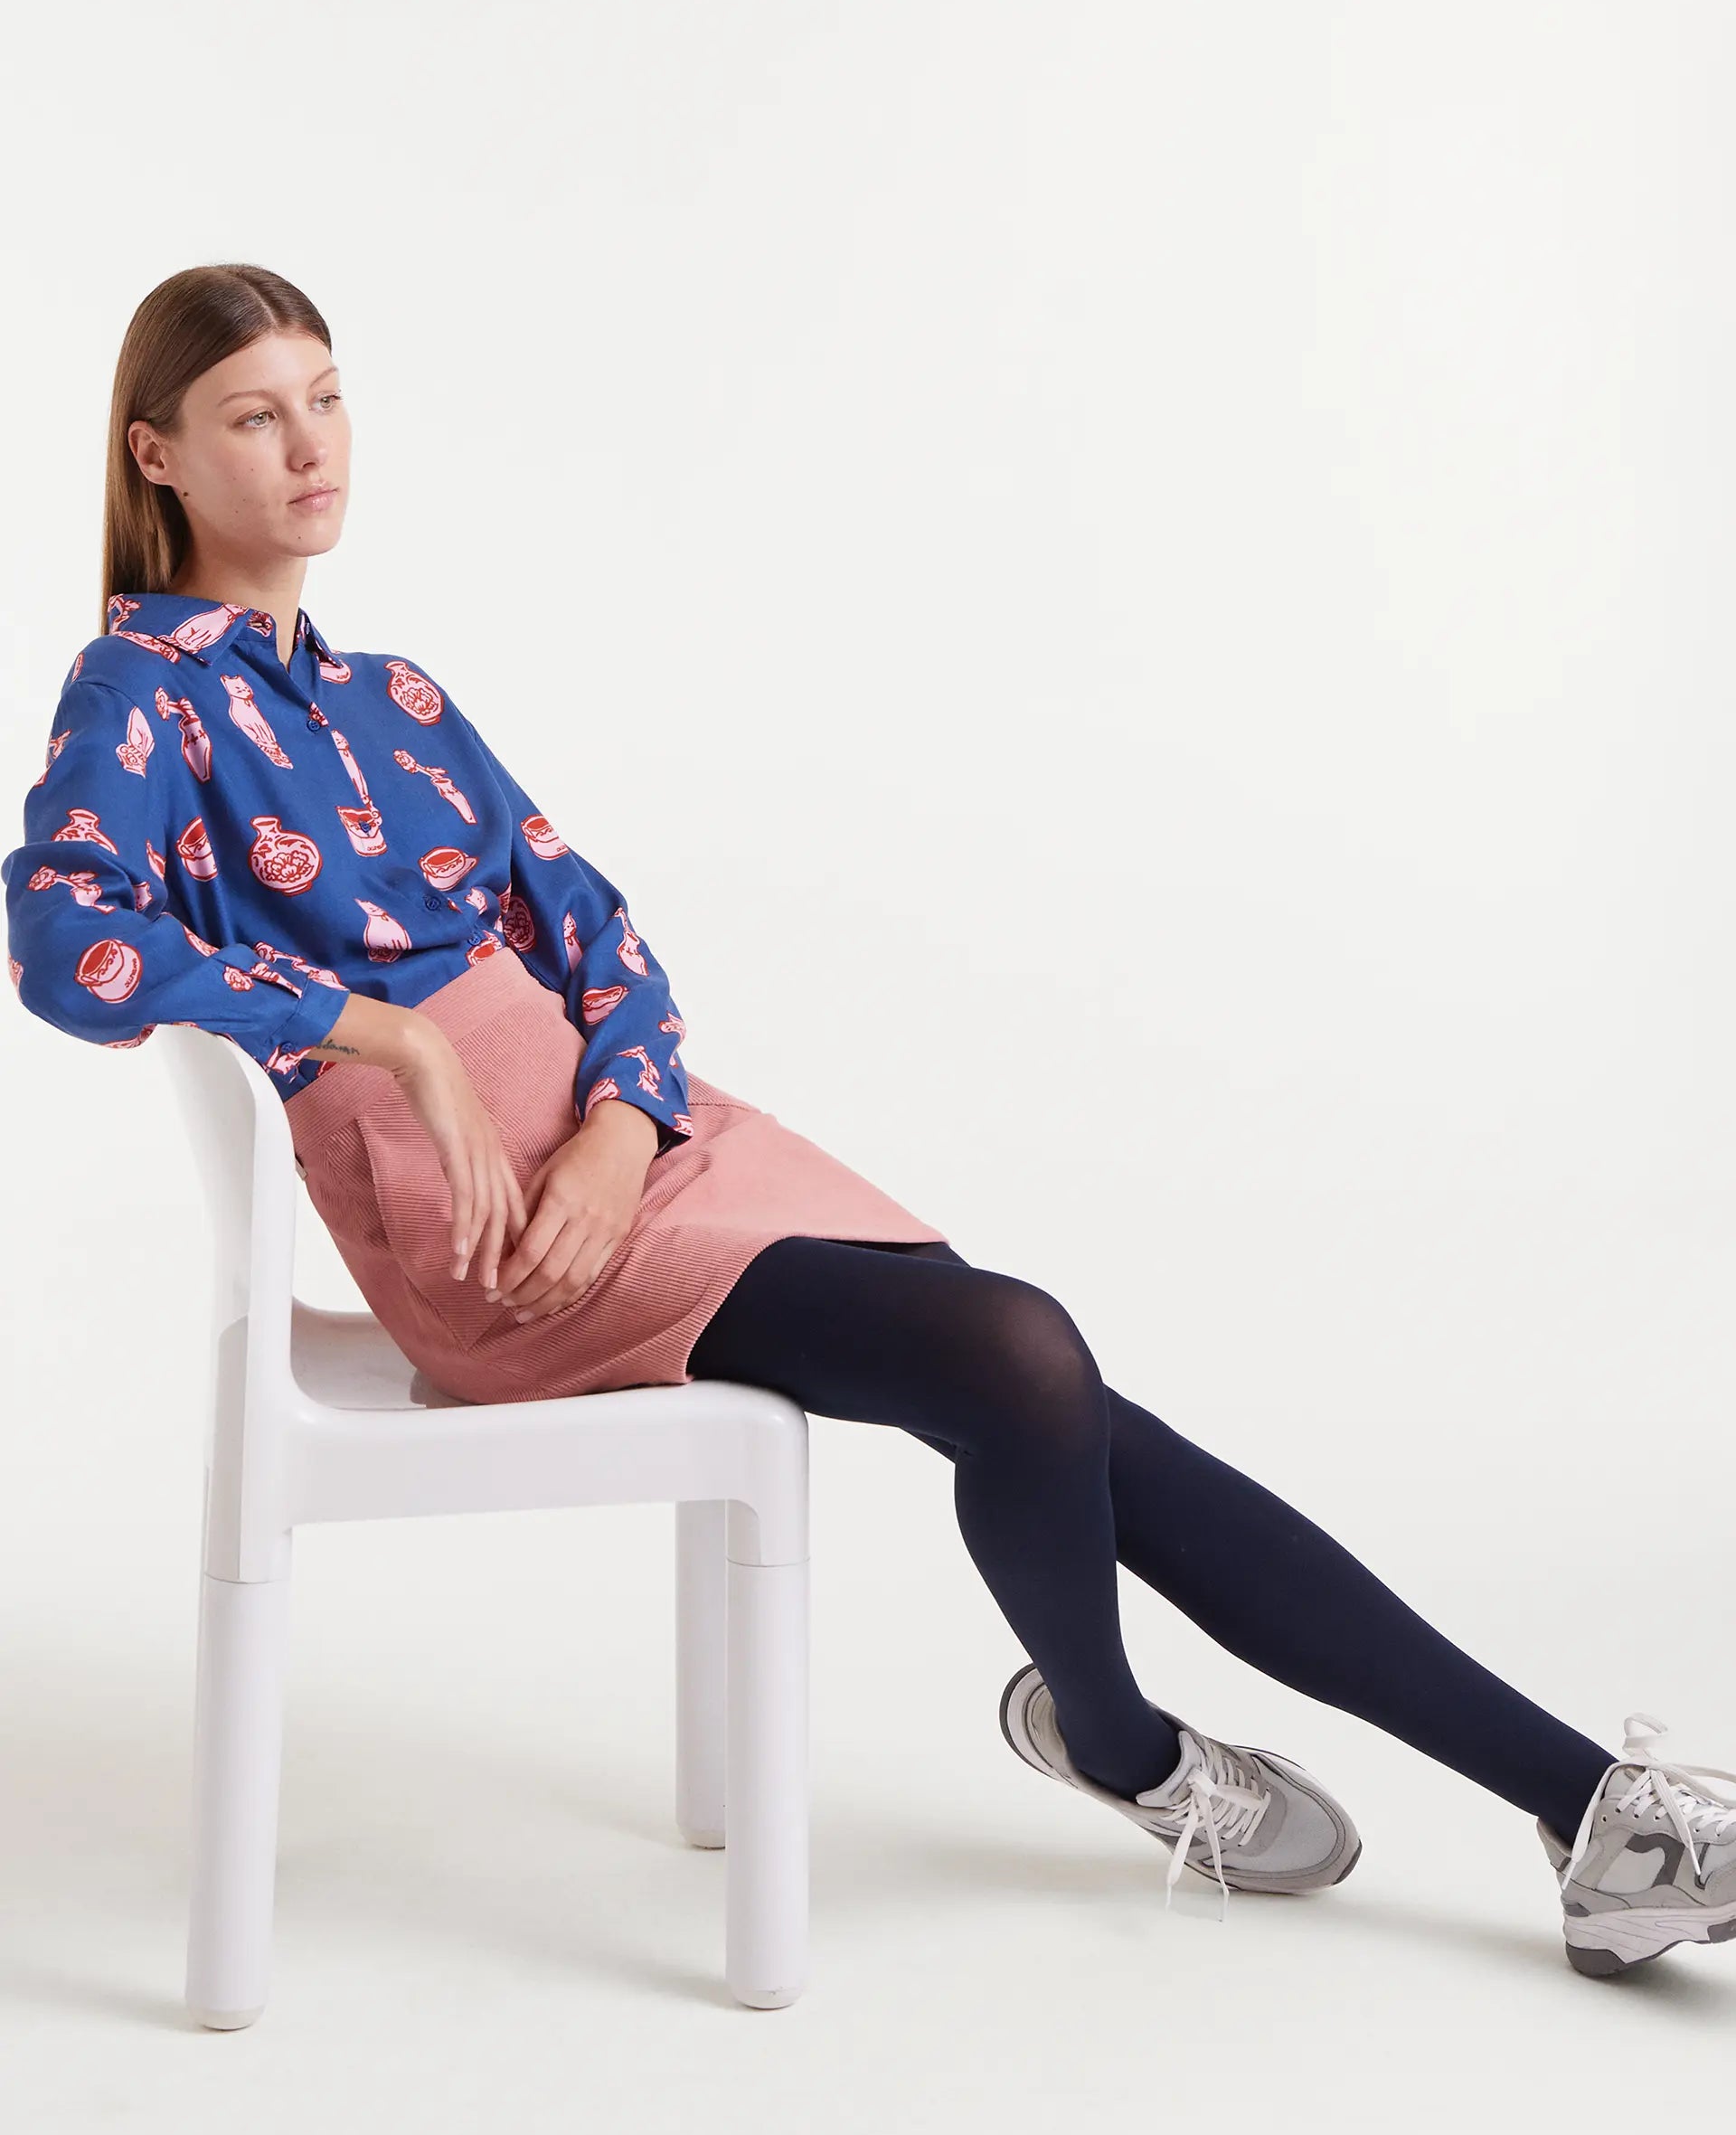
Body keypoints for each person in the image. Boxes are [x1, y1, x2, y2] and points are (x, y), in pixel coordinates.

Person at [7, 264, 1734, 1981]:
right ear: (158, 454)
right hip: (490, 1231)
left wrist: (620, 1122)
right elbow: (62, 935)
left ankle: (1583, 1811)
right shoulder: (135, 692)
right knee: (1017, 1355)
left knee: (1059, 1399)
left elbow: (600, 935)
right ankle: (1142, 1750)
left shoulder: (395, 695)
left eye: (326, 398)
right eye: (256, 416)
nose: (312, 446)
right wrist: (389, 1038)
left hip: (644, 1147)